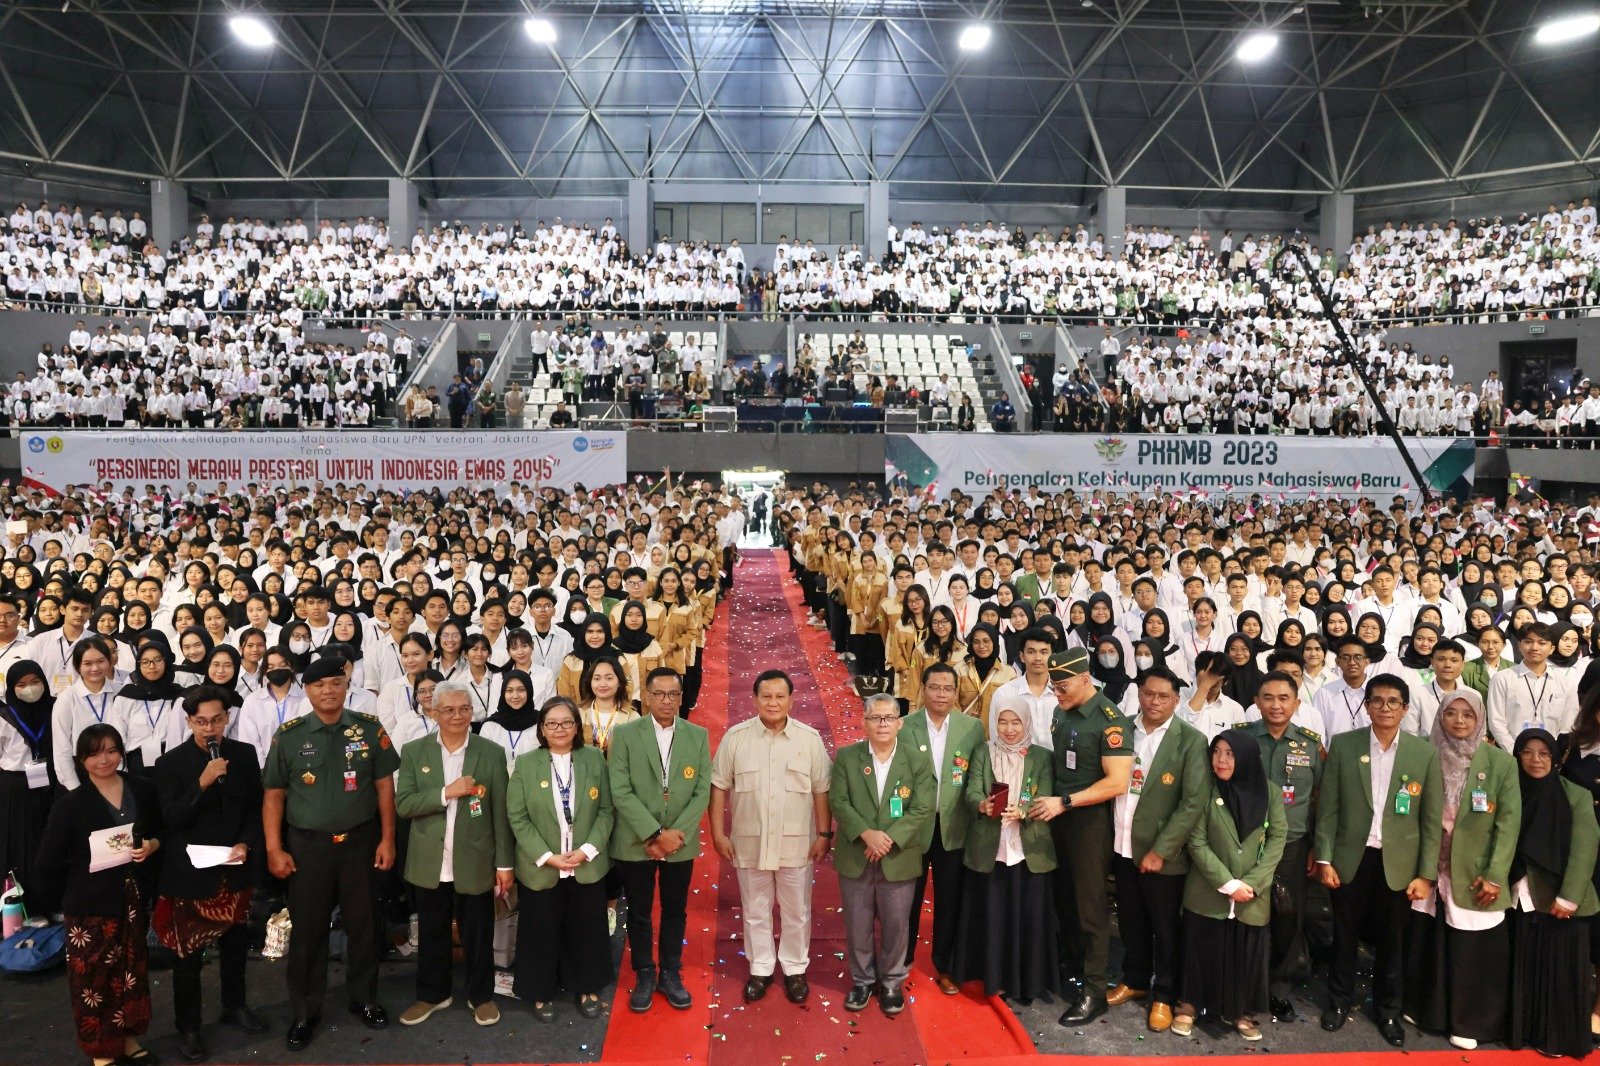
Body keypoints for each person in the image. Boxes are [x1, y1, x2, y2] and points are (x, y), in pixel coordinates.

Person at [262, 655, 400, 1052]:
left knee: (364, 926)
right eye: (319, 685)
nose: (328, 691)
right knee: (307, 932)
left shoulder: (369, 729)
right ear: (307, 690)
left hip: (360, 843)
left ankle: (364, 997)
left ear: (346, 686)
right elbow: (273, 796)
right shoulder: (288, 736)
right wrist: (274, 848)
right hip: (308, 848)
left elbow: (384, 788)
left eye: (335, 684)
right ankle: (305, 1011)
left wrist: (387, 839)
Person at [1314, 673, 1443, 1047]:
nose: (1384, 708)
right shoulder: (1344, 745)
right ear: (1366, 705)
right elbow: (1328, 811)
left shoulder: (1424, 752)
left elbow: (1430, 820)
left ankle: (1388, 1011)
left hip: (1399, 865)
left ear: (1405, 709)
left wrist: (1425, 874)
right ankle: (1337, 1003)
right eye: (1377, 701)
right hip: (1350, 859)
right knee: (1344, 936)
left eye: (1393, 702)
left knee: (1393, 942)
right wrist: (1325, 859)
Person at [34, 724, 163, 1066]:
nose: (103, 759)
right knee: (93, 981)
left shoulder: (143, 788)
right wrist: (76, 887)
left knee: (130, 974)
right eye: (93, 753)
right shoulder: (70, 805)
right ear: (81, 759)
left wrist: (152, 844)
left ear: (122, 751)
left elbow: (160, 829)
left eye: (110, 750)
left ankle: (129, 1039)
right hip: (89, 908)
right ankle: (102, 1053)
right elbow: (46, 864)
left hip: (133, 900)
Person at [152, 684, 268, 1063]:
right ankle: (189, 1027)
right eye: (201, 721)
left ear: (227, 718)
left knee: (235, 944)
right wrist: (202, 781)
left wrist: (247, 844)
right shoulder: (170, 763)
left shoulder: (245, 755)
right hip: (191, 873)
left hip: (233, 868)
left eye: (216, 719)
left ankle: (234, 1006)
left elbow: (255, 809)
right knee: (188, 957)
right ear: (188, 722)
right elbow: (171, 818)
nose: (210, 728)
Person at [393, 679, 514, 1028]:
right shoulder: (416, 751)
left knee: (478, 932)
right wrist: (446, 792)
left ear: (472, 712)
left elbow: (500, 813)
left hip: (475, 859)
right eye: (448, 709)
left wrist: (504, 863)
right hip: (430, 861)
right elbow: (404, 804)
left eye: (464, 709)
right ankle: (432, 994)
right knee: (431, 932)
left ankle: (482, 996)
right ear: (434, 712)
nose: (457, 715)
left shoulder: (490, 752)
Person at [1403, 689, 1519, 1051]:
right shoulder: (1425, 753)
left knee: (1471, 949)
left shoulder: (1500, 762)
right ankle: (1428, 1011)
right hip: (1428, 863)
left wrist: (1496, 874)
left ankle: (1470, 1021)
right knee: (1430, 940)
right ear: (1440, 715)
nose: (1459, 721)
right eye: (1451, 713)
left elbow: (1508, 824)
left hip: (1474, 870)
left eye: (1468, 715)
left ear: (1480, 718)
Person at [710, 669, 832, 1005]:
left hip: (797, 843)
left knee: (796, 911)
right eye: (766, 696)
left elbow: (822, 791)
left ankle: (794, 969)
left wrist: (824, 833)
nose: (773, 702)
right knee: (755, 909)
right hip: (749, 841)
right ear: (755, 699)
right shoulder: (736, 737)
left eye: (780, 696)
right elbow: (719, 785)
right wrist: (718, 833)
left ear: (791, 700)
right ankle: (760, 968)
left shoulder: (809, 739)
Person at [1026, 646, 1133, 1026]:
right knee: (1064, 898)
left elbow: (1117, 782)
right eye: (1053, 685)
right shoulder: (1061, 711)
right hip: (1059, 814)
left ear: (1085, 678)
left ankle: (1094, 990)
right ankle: (1070, 964)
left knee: (1090, 908)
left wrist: (1066, 802)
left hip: (1089, 822)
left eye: (1063, 685)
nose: (1057, 692)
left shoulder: (1111, 721)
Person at [1105, 666, 1209, 1033]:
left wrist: (1161, 850)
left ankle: (1165, 994)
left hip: (1160, 854)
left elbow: (1193, 802)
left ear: (1176, 700)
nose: (1154, 701)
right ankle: (1134, 980)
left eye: (1163, 696)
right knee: (1131, 920)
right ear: (1139, 693)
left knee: (1165, 927)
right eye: (1148, 693)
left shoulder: (1190, 741)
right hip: (1121, 843)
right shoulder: (1120, 730)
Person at [1171, 729, 1286, 1042]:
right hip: (1208, 889)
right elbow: (1196, 841)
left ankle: (1240, 1010)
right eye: (1217, 752)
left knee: (1246, 951)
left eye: (1230, 753)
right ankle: (1189, 1004)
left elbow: (1277, 839)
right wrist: (1227, 882)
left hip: (1252, 893)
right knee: (1200, 948)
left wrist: (1250, 882)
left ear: (1246, 758)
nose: (1221, 760)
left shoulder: (1270, 792)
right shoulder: (1204, 790)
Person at [608, 667, 711, 1013]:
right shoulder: (625, 734)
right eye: (659, 694)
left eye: (673, 695)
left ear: (682, 698)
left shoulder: (697, 735)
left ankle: (670, 970)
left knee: (674, 909)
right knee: (637, 912)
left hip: (680, 842)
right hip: (637, 840)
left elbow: (701, 792)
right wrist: (654, 833)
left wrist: (673, 836)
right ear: (647, 696)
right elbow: (619, 790)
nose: (666, 701)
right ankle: (644, 972)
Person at [507, 696, 614, 1022]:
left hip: (586, 864)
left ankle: (587, 987)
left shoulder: (594, 759)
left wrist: (587, 850)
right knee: (540, 930)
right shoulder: (526, 764)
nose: (559, 729)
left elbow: (607, 811)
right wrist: (547, 856)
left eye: (566, 722)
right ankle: (541, 992)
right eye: (551, 723)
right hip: (543, 866)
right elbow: (517, 816)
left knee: (586, 929)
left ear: (576, 726)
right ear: (541, 728)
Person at [829, 692, 936, 1014]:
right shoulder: (848, 757)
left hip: (898, 856)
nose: (882, 724)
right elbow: (839, 801)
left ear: (900, 723)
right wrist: (867, 834)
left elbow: (922, 807)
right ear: (864, 723)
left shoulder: (917, 759)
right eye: (875, 718)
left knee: (896, 923)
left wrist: (888, 839)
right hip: (857, 853)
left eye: (889, 718)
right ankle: (862, 980)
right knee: (858, 923)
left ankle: (890, 981)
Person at [949, 697, 1057, 1001]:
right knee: (991, 914)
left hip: (1028, 847)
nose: (1009, 729)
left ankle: (1026, 980)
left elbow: (1046, 794)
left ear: (1026, 723)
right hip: (990, 845)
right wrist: (982, 804)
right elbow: (971, 790)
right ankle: (990, 974)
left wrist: (1022, 810)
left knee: (1028, 916)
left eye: (1016, 722)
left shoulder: (1042, 757)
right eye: (1002, 722)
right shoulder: (984, 751)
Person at [1508, 727, 1600, 1059]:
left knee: (1559, 974)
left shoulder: (1575, 794)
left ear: (1555, 757)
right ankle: (1524, 1032)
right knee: (1528, 969)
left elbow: (1584, 849)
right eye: (1527, 752)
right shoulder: (1511, 790)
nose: (1535, 760)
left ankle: (1556, 1039)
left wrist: (1569, 897)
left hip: (1562, 902)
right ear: (1517, 755)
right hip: (1520, 896)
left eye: (1544, 753)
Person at [1239, 671, 1325, 1021]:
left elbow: (1320, 798)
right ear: (1257, 702)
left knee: (1288, 917)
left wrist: (1316, 846)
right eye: (1268, 698)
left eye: (1283, 698)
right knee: (1247, 915)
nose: (1275, 705)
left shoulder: (1310, 745)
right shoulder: (1242, 740)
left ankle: (1278, 988)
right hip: (1247, 843)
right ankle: (1246, 985)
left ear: (1296, 703)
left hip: (1292, 844)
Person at [900, 661, 984, 992]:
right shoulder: (904, 726)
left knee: (951, 901)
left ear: (955, 692)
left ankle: (947, 965)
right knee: (906, 897)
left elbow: (977, 776)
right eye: (934, 687)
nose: (941, 694)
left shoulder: (971, 728)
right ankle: (900, 959)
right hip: (912, 828)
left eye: (948, 688)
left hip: (954, 827)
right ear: (923, 689)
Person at [0, 659, 56, 892]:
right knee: (21, 844)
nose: (30, 688)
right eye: (21, 684)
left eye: (35, 682)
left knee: (51, 841)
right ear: (11, 687)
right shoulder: (3, 715)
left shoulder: (55, 707)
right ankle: (25, 903)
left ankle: (52, 899)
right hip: (15, 787)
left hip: (51, 782)